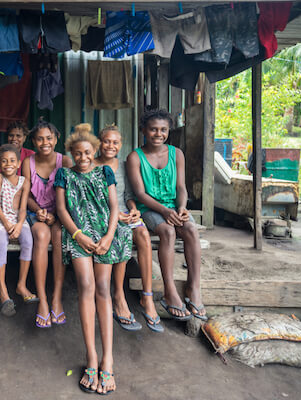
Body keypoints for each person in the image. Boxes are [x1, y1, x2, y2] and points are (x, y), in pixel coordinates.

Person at [55, 128, 132, 395]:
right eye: (78, 153)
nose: (83, 157)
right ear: (71, 154)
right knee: (86, 286)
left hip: (104, 235)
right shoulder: (64, 174)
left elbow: (114, 207)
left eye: (88, 152)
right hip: (78, 235)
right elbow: (62, 209)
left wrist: (110, 235)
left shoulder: (105, 172)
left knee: (102, 288)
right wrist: (78, 235)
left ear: (94, 151)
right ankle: (91, 357)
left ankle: (107, 359)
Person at [126, 109, 207, 321]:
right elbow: (140, 194)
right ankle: (170, 290)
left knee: (190, 228)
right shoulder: (135, 157)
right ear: (144, 130)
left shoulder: (176, 154)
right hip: (150, 209)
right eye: (153, 129)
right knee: (167, 232)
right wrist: (164, 211)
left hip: (173, 206)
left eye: (163, 130)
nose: (158, 134)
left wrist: (181, 207)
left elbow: (181, 186)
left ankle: (194, 288)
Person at [94, 124, 163, 333]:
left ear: (121, 145)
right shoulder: (92, 164)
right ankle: (119, 296)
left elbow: (129, 197)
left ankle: (147, 297)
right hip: (103, 217)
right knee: (121, 233)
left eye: (115, 142)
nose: (110, 146)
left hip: (125, 214)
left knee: (142, 233)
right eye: (106, 141)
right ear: (99, 142)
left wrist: (134, 211)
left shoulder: (124, 166)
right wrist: (114, 216)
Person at [21, 119, 72, 328]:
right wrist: (38, 211)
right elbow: (26, 194)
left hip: (61, 213)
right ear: (33, 141)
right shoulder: (28, 162)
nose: (45, 142)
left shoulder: (65, 162)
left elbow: (70, 195)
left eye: (49, 138)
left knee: (59, 235)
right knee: (42, 236)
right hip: (37, 213)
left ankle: (56, 298)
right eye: (40, 139)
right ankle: (42, 299)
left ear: (56, 139)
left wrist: (57, 216)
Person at [0, 144, 35, 317]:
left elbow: (23, 209)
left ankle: (21, 285)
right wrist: (7, 224)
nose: (8, 164)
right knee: (1, 242)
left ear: (18, 163)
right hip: (1, 219)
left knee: (28, 242)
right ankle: (2, 290)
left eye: (12, 161)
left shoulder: (24, 181)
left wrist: (18, 225)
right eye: (4, 161)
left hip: (19, 220)